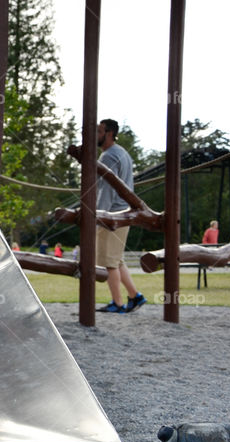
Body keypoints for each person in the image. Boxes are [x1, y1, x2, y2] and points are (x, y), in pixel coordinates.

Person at [95, 118, 146, 314]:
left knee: (109, 262)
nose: (96, 135)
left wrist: (99, 217)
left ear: (108, 133)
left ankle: (117, 304)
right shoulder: (123, 153)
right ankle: (135, 296)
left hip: (113, 215)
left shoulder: (108, 157)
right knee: (116, 260)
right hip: (125, 212)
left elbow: (106, 190)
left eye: (99, 131)